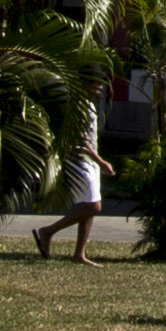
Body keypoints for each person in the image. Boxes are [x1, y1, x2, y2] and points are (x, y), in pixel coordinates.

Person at [31, 100, 113, 261]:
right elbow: (80, 136)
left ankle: (79, 254)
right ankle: (47, 232)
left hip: (90, 161)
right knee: (93, 207)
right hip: (79, 159)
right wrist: (100, 160)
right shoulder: (77, 102)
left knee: (89, 203)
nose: (100, 87)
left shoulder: (89, 103)